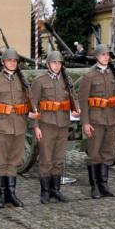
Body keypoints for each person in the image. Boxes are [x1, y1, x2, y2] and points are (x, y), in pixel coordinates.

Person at [31, 51, 80, 204]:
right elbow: (33, 106)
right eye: (54, 63)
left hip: (63, 124)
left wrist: (76, 108)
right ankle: (45, 192)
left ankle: (56, 190)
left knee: (58, 159)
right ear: (48, 64)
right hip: (46, 124)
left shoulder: (67, 80)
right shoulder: (40, 81)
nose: (57, 65)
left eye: (59, 63)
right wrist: (36, 127)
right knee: (46, 159)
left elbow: (74, 97)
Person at [0, 48, 28, 208]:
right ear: (3, 62)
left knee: (14, 161)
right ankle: (2, 195)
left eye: (15, 61)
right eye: (9, 60)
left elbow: (28, 103)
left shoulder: (22, 80)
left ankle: (12, 194)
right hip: (0, 127)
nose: (12, 63)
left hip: (19, 127)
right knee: (0, 162)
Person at [79, 44, 115, 198]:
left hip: (111, 119)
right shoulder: (89, 76)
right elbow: (83, 101)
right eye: (103, 55)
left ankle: (104, 184)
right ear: (97, 57)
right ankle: (94, 186)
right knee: (94, 153)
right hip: (95, 120)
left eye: (108, 55)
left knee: (108, 152)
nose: (106, 57)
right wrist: (85, 122)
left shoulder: (114, 75)